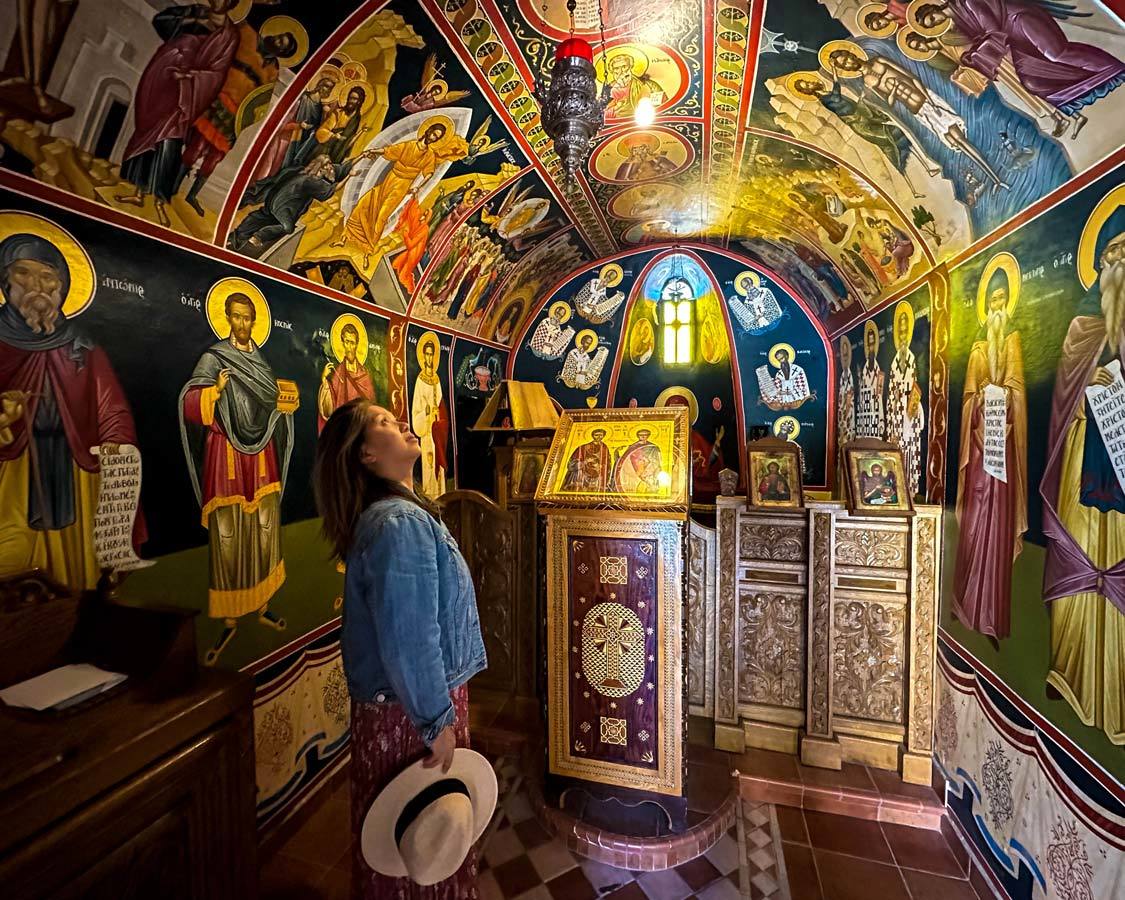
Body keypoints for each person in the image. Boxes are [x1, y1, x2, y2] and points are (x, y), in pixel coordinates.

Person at [313, 398, 486, 899]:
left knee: (417, 842)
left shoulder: (397, 517)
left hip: (405, 706)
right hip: (411, 714)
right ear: (366, 454)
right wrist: (436, 721)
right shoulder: (399, 524)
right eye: (386, 423)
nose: (405, 423)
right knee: (423, 842)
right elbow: (410, 636)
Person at [0, 232, 145, 590]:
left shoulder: (82, 343)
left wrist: (116, 440)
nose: (37, 285)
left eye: (48, 277)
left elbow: (111, 405)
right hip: (13, 469)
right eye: (24, 273)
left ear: (62, 287)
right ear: (5, 279)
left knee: (77, 569)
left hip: (74, 463)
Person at [179, 288, 295, 664]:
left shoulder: (259, 361)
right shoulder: (215, 359)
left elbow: (271, 400)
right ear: (228, 318)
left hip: (261, 456)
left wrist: (285, 405)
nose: (244, 324)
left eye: (249, 317)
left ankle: (262, 603)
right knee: (228, 532)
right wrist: (215, 390)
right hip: (227, 454)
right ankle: (230, 614)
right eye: (238, 317)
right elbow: (190, 402)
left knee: (264, 524)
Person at [952, 271, 1027, 641]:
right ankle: (966, 604)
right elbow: (966, 402)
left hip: (1003, 454)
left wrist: (1005, 398)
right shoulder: (979, 349)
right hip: (980, 456)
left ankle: (992, 618)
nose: (998, 307)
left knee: (997, 528)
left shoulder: (1012, 342)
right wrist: (981, 399)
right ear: (986, 307)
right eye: (992, 301)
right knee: (973, 525)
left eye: (1002, 300)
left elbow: (1019, 395)